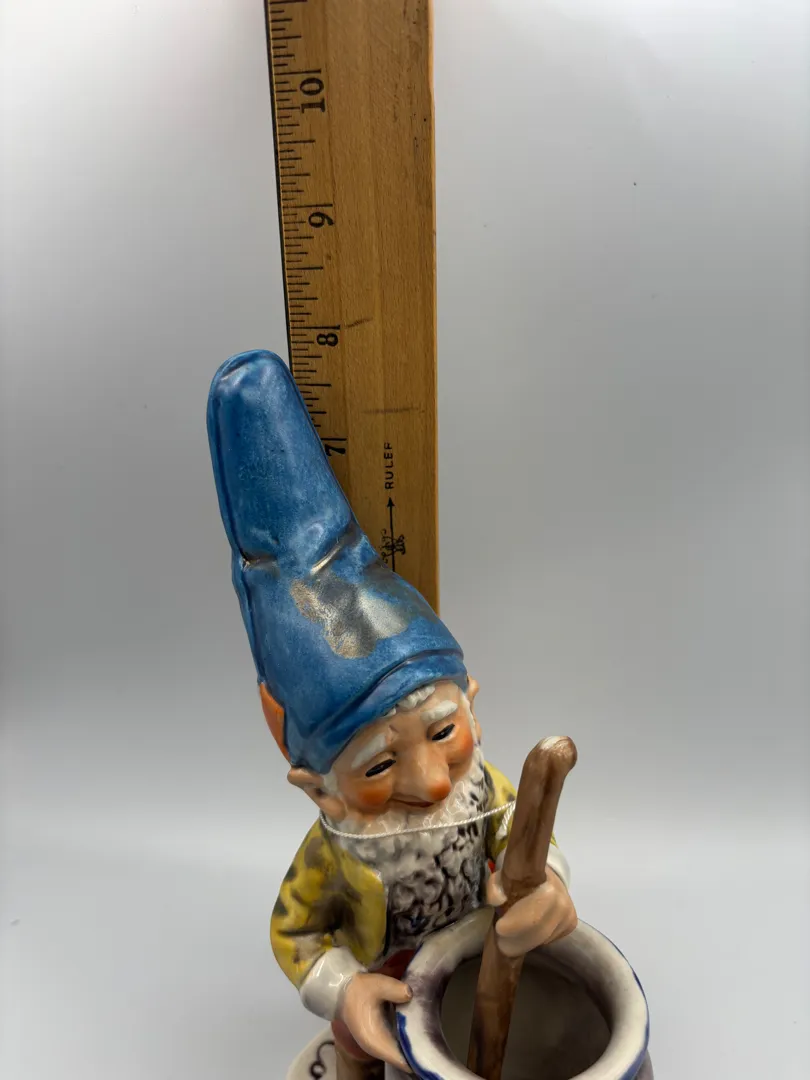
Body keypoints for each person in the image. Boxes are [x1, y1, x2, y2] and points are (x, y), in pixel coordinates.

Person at [207, 351, 577, 1079]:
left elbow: (528, 839)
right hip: (393, 982)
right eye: (378, 764)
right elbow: (296, 932)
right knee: (363, 1049)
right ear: (321, 790)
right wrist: (346, 990)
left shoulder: (485, 793)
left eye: (444, 732)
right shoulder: (334, 852)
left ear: (471, 703)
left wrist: (550, 887)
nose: (434, 782)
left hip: (476, 961)